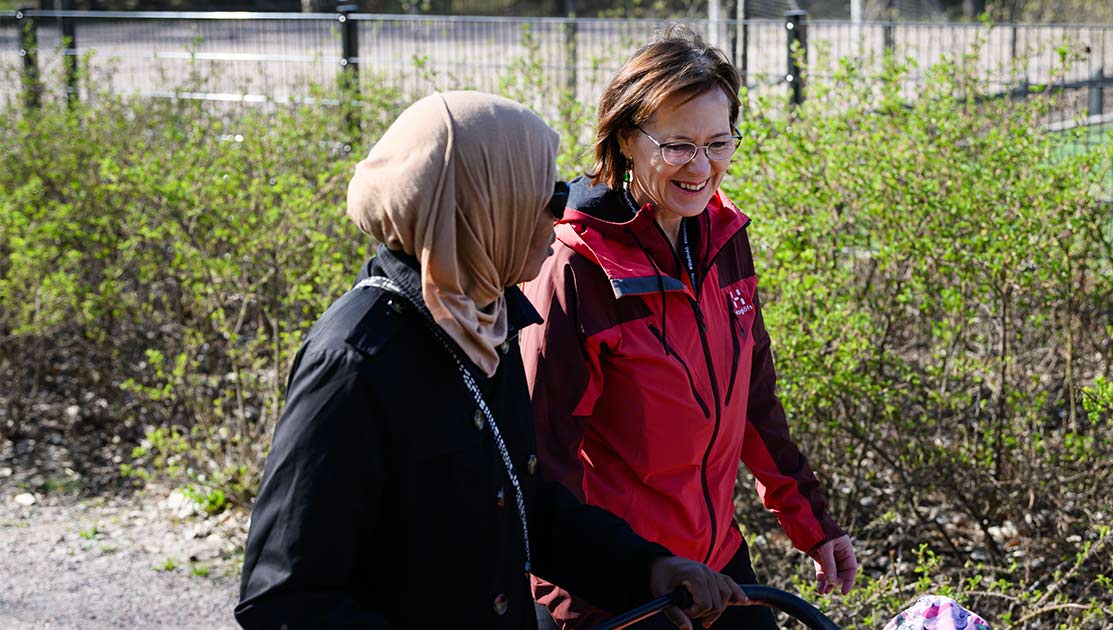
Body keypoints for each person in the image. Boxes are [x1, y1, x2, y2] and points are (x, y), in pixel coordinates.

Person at [234, 90, 749, 630]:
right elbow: (283, 598)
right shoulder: (356, 360)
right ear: (479, 206)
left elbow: (525, 504)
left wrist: (648, 568)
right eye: (544, 191)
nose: (564, 208)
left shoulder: (485, 320)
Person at [521, 28, 858, 629]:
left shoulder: (726, 236)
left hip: (715, 562)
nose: (702, 167)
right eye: (678, 146)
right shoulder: (576, 266)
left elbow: (753, 403)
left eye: (719, 142)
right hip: (623, 583)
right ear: (626, 139)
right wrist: (574, 598)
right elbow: (544, 462)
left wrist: (814, 527)